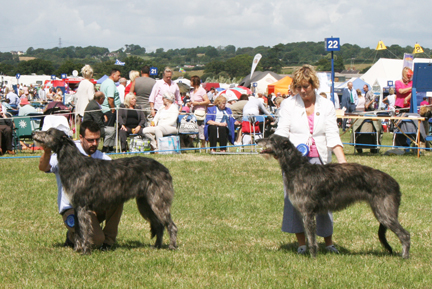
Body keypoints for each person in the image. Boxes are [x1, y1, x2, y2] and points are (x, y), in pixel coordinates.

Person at [274, 64, 347, 255]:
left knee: (324, 203)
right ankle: (301, 244)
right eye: (298, 87)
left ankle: (328, 243)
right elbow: (282, 131)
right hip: (295, 164)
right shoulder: (289, 104)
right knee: (294, 203)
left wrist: (343, 164)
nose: (302, 91)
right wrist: (276, 148)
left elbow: (333, 136)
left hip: (320, 161)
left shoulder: (327, 105)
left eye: (305, 86)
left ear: (314, 84)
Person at [38, 120, 123, 250]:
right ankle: (73, 235)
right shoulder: (66, 150)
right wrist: (47, 152)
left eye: (97, 140)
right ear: (81, 137)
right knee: (95, 241)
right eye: (90, 140)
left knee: (118, 197)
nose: (94, 144)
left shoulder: (101, 157)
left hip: (93, 207)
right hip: (72, 208)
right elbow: (44, 168)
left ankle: (108, 241)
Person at [100, 69, 121, 153]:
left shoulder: (104, 82)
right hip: (109, 110)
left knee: (109, 129)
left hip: (105, 109)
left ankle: (109, 146)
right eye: (118, 75)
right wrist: (113, 109)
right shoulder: (111, 84)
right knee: (110, 130)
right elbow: (110, 98)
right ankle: (106, 147)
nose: (119, 77)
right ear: (113, 75)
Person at [189, 75, 210, 148]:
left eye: (191, 81)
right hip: (192, 112)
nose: (190, 82)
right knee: (192, 128)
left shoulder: (202, 91)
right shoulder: (191, 91)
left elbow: (207, 101)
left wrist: (198, 103)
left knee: (201, 128)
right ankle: (191, 144)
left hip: (200, 112)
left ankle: (203, 144)